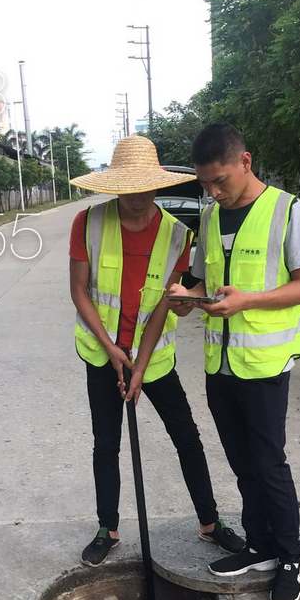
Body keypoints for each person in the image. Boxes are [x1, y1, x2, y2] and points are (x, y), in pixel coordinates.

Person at [69, 134, 245, 567]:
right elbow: (79, 291)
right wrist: (112, 350)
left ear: (157, 184)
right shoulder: (88, 223)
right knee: (106, 442)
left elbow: (164, 306)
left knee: (187, 437)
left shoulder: (177, 235)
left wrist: (140, 366)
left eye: (145, 187)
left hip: (155, 356)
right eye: (127, 188)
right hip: (102, 354)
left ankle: (210, 522)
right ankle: (107, 528)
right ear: (114, 186)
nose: (137, 197)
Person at [168, 124, 300, 600]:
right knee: (240, 461)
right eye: (205, 184)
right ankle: (259, 545)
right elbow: (201, 281)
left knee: (268, 462)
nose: (213, 192)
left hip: (265, 364)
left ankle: (290, 554)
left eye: (220, 181)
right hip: (220, 364)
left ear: (245, 162)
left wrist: (247, 300)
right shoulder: (210, 217)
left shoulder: (287, 210)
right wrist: (186, 298)